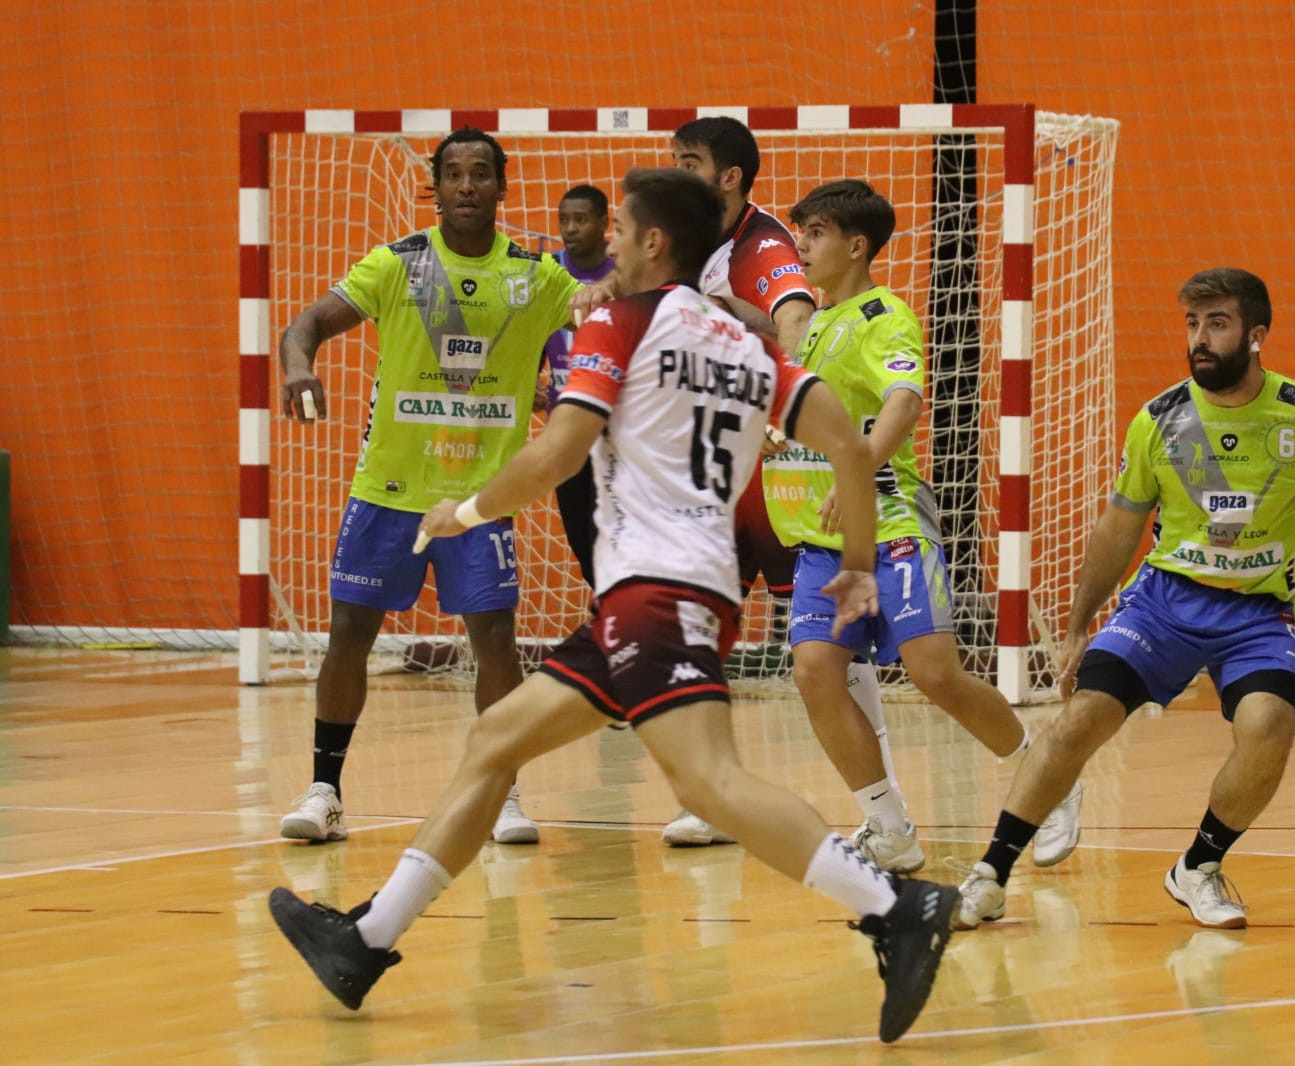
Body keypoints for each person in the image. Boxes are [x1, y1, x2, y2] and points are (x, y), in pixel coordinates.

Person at [267, 167, 959, 1044]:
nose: (609, 248)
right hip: (678, 590)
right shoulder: (757, 349)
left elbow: (558, 451)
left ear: (655, 243)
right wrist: (854, 563)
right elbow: (854, 455)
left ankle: (895, 907)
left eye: (621, 232)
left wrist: (466, 510)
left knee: (709, 781)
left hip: (655, 593)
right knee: (496, 738)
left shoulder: (621, 322)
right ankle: (366, 940)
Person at [952, 267, 1295, 930]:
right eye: (1193, 323)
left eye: (1216, 323)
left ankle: (1198, 867)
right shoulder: (1160, 419)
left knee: (1269, 726)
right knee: (1080, 721)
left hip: (1257, 614)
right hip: (1163, 603)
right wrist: (1079, 624)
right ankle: (990, 873)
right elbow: (1120, 524)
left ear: (1256, 335)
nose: (1199, 338)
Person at [276, 128, 605, 847]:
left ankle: (502, 793)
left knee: (495, 642)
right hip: (388, 491)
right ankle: (324, 790)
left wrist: (618, 294)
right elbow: (306, 323)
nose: (465, 185)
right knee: (348, 638)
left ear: (501, 188)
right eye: (452, 173)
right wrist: (298, 365)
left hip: (481, 500)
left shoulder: (537, 276)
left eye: (480, 173)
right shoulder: (397, 265)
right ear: (435, 186)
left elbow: (601, 306)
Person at [764, 179, 1037, 874]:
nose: (802, 244)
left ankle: (1047, 779)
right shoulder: (818, 324)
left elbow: (903, 405)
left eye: (815, 232)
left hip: (890, 523)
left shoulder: (886, 315)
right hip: (826, 541)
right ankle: (890, 828)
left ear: (855, 245)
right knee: (814, 672)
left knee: (933, 673)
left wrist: (858, 468)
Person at [660, 116, 894, 848]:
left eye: (689, 162)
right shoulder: (683, 237)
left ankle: (885, 810)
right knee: (701, 630)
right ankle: (715, 794)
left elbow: (793, 315)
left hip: (775, 478)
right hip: (711, 470)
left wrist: (778, 406)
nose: (676, 172)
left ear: (728, 176)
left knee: (828, 650)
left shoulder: (761, 245)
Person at [540, 183, 615, 589]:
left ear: (605, 222)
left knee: (619, 538)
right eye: (564, 220)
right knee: (584, 548)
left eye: (581, 219)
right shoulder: (547, 274)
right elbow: (531, 339)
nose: (570, 228)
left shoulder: (623, 276)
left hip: (618, 434)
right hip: (566, 434)